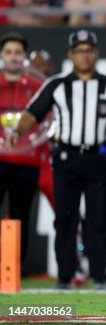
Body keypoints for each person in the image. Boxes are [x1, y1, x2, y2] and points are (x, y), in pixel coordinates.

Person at [6, 29, 106, 290]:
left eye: (89, 50)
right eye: (79, 51)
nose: (85, 56)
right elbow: (34, 112)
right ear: (71, 55)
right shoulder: (56, 85)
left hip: (98, 157)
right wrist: (17, 131)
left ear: (96, 54)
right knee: (65, 218)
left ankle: (100, 276)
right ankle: (65, 276)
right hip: (66, 157)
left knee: (100, 219)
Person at [0, 32, 44, 262]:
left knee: (21, 217)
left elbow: (48, 121)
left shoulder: (38, 87)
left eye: (18, 52)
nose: (13, 57)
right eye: (8, 52)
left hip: (27, 161)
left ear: (25, 56)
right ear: (1, 56)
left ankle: (15, 269)